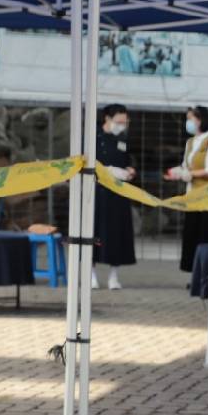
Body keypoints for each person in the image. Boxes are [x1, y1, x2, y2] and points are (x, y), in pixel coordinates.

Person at [167, 105, 208, 272]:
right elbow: (186, 166)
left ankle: (205, 272)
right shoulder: (190, 142)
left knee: (204, 236)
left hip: (207, 199)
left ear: (200, 120)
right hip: (192, 198)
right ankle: (193, 273)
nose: (188, 122)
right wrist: (178, 172)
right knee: (190, 236)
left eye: (190, 119)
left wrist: (189, 174)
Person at [93, 104, 137, 290]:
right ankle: (91, 274)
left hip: (119, 193)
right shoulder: (93, 137)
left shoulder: (123, 139)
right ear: (107, 119)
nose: (122, 125)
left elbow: (128, 160)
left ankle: (114, 275)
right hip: (97, 193)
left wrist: (130, 170)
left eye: (125, 122)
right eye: (119, 122)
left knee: (117, 233)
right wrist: (107, 171)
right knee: (94, 232)